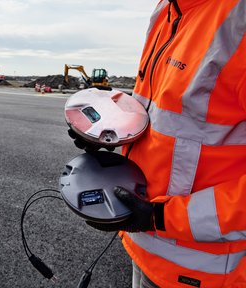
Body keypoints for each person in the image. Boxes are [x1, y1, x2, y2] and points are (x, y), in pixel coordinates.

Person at [71, 0, 246, 287]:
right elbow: (164, 115)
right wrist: (109, 131)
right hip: (145, 247)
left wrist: (161, 217)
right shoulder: (167, 9)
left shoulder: (238, 18)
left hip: (207, 270)